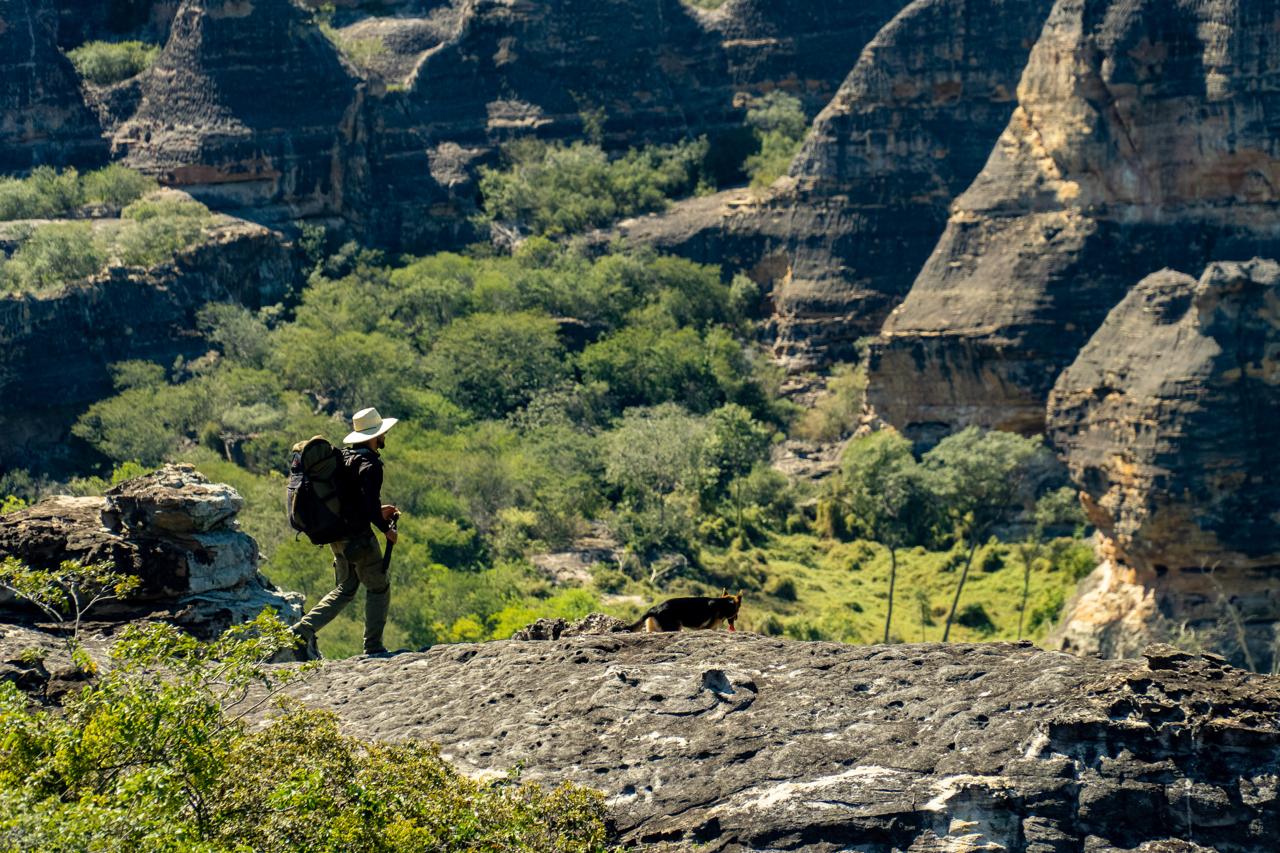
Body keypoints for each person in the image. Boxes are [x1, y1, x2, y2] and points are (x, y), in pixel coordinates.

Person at [291, 407, 400, 658]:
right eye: (383, 433)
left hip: (337, 536)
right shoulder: (371, 465)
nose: (385, 437)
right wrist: (386, 529)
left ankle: (302, 630)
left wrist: (377, 511)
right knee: (378, 587)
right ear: (376, 436)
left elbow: (356, 500)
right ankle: (373, 646)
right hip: (359, 538)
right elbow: (368, 504)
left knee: (346, 588)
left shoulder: (346, 459)